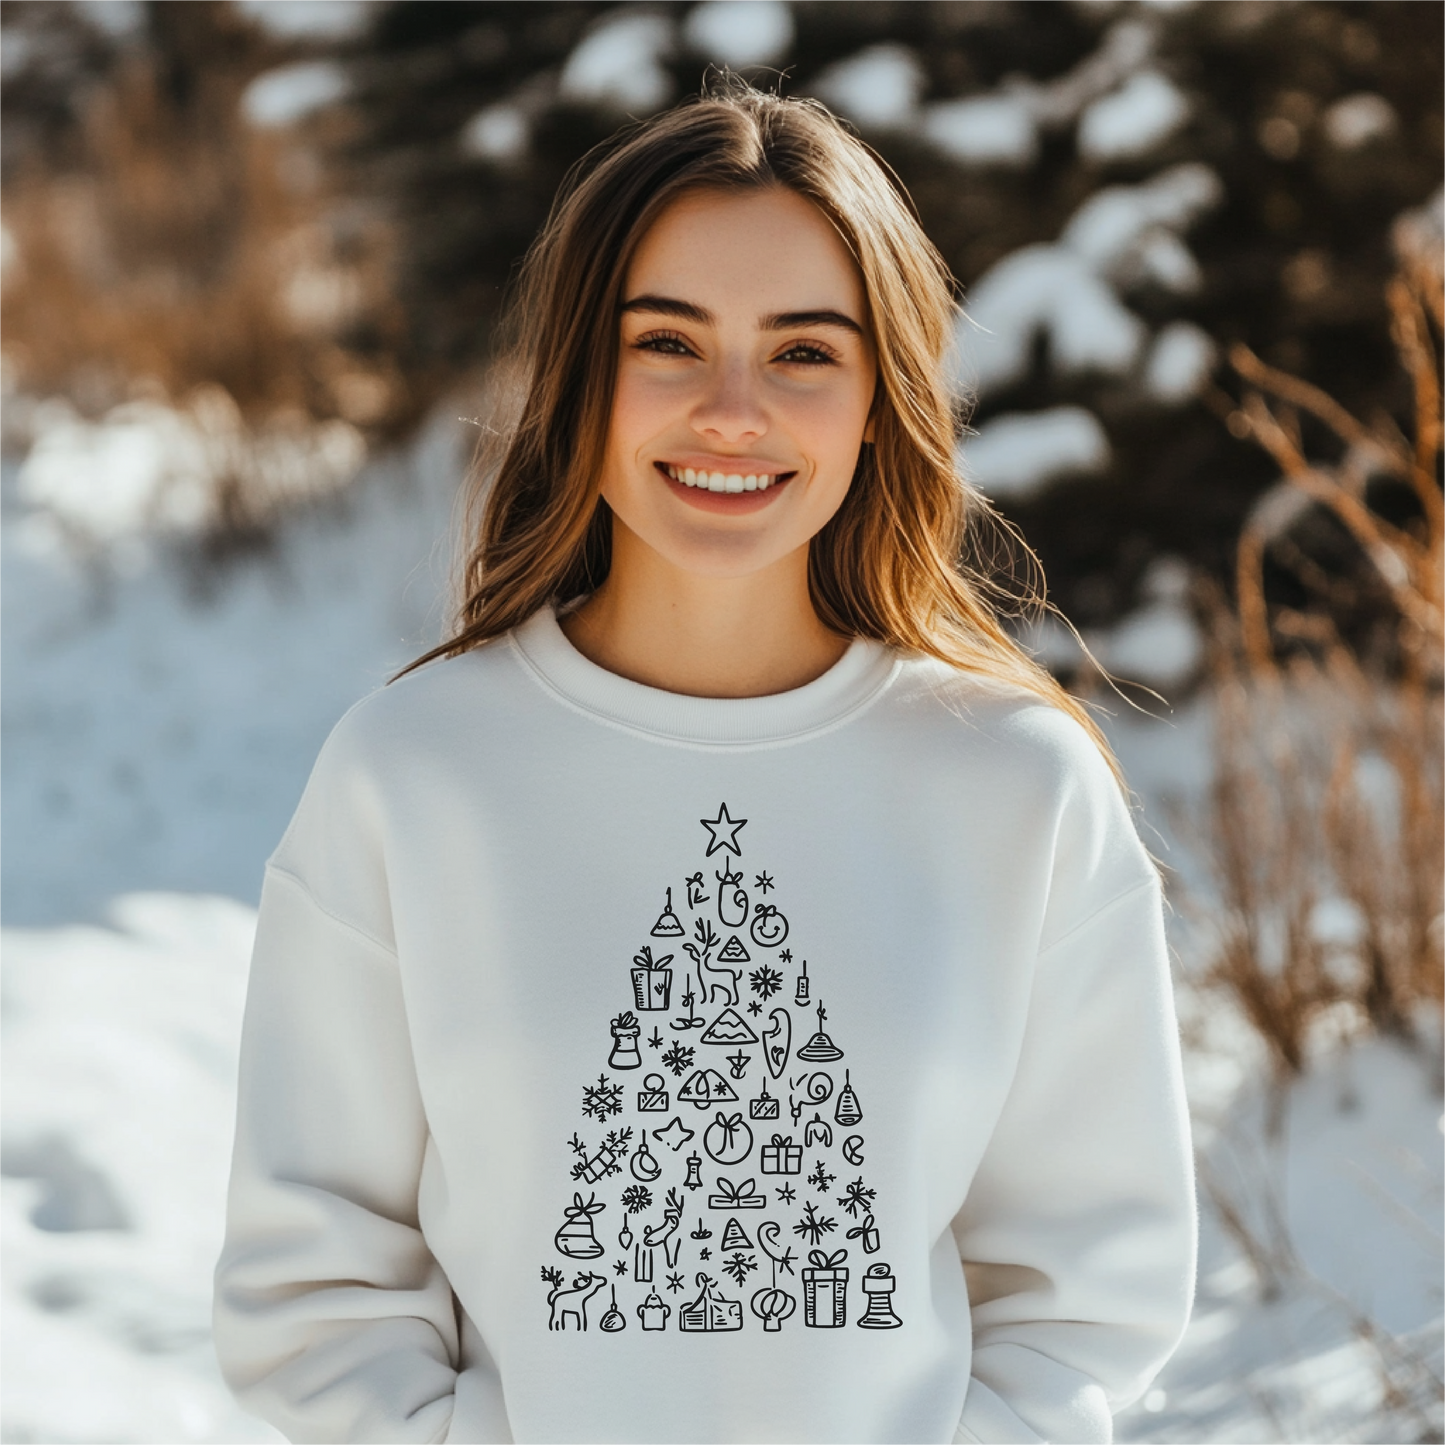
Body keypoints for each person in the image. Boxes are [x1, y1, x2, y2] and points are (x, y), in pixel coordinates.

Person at [214, 80, 1195, 1445]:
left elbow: (1088, 1291)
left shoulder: (1016, 785)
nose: (733, 409)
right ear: (579, 375)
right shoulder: (414, 772)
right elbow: (312, 1286)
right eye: (668, 343)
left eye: (803, 353)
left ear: (878, 399)